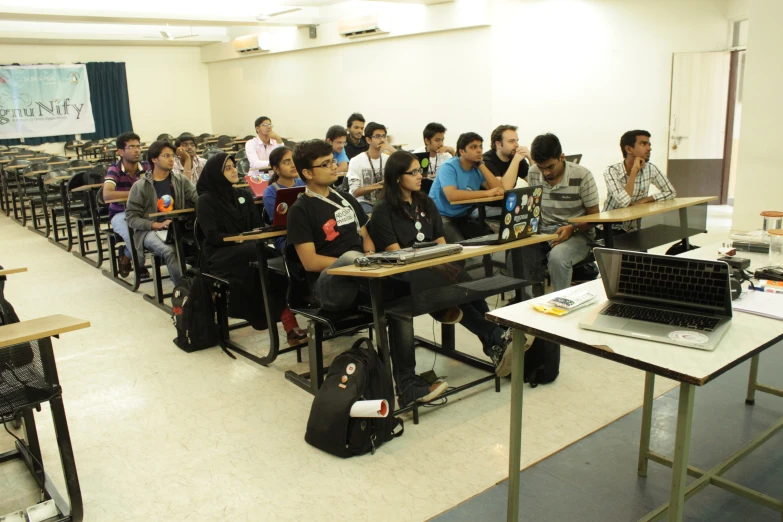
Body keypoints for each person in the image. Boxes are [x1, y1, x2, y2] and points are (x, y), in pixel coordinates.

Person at [287, 140, 447, 407]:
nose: (333, 167)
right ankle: (436, 302)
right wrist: (358, 262)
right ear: (307, 173)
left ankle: (407, 387)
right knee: (351, 256)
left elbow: (366, 235)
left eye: (332, 161)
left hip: (363, 277)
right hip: (329, 286)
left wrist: (371, 255)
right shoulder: (300, 210)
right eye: (324, 165)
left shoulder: (345, 198)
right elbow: (310, 262)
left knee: (399, 305)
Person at [370, 150, 513, 377]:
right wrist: (438, 266)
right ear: (397, 177)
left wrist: (445, 264)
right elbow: (396, 256)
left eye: (420, 170)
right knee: (448, 284)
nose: (421, 176)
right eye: (414, 172)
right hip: (404, 275)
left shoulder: (425, 202)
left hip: (433, 267)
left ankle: (493, 342)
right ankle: (495, 337)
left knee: (464, 278)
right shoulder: (383, 210)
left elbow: (441, 243)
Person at [196, 153, 306, 344]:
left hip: (250, 248)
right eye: (228, 168)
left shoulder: (243, 195)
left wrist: (251, 237)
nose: (233, 171)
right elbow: (212, 236)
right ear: (216, 173)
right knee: (261, 261)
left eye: (233, 166)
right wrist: (239, 240)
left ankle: (290, 323)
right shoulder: (205, 200)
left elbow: (256, 224)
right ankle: (280, 321)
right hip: (220, 254)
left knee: (279, 261)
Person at [519, 133, 600, 292]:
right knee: (518, 253)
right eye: (542, 168)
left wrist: (573, 228)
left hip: (578, 233)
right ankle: (527, 301)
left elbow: (595, 217)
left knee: (558, 257)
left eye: (550, 167)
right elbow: (533, 209)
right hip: (544, 232)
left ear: (562, 157)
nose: (546, 173)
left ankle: (559, 302)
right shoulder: (534, 172)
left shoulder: (582, 175)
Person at [125, 140, 198, 286]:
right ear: (154, 159)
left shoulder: (180, 180)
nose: (171, 159)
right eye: (166, 156)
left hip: (178, 227)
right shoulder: (140, 186)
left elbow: (196, 198)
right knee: (170, 251)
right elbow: (131, 218)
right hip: (149, 231)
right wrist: (155, 224)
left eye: (173, 156)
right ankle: (184, 292)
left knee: (203, 245)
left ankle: (202, 287)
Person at [427, 132, 505, 243]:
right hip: (440, 216)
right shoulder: (448, 167)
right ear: (462, 151)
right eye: (473, 147)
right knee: (459, 249)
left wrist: (482, 165)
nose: (479, 150)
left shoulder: (477, 167)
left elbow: (500, 190)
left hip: (462, 215)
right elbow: (452, 195)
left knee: (486, 241)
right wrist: (487, 193)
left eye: (480, 147)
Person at [603, 130, 676, 232]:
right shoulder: (612, 171)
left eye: (649, 144)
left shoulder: (650, 168)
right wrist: (634, 170)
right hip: (610, 230)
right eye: (643, 144)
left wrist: (645, 200)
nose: (649, 148)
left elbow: (671, 192)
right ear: (628, 149)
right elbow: (625, 202)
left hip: (634, 229)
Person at [103, 131, 150, 278]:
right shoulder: (115, 169)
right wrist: (135, 194)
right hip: (120, 213)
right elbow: (107, 194)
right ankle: (139, 263)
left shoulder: (147, 167)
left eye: (138, 146)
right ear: (120, 152)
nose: (137, 150)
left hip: (143, 212)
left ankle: (127, 255)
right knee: (132, 237)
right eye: (131, 147)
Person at [263, 146, 305, 252]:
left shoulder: (304, 183)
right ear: (276, 169)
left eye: (293, 160)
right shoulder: (271, 192)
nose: (293, 165)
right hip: (286, 238)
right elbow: (279, 222)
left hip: (309, 231)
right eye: (287, 162)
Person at [346, 122, 394, 214]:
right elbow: (355, 192)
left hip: (385, 202)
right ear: (368, 140)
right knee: (376, 213)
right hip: (364, 203)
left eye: (384, 136)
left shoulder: (388, 159)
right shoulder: (356, 161)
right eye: (377, 136)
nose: (382, 140)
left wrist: (390, 149)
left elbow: (408, 162)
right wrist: (379, 185)